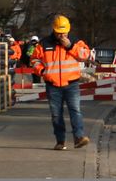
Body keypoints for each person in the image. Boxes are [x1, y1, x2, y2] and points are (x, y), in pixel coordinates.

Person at [30, 14, 92, 150]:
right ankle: (60, 141)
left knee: (75, 110)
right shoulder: (44, 43)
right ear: (54, 30)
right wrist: (41, 71)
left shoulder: (76, 42)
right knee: (56, 114)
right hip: (53, 86)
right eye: (59, 32)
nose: (61, 35)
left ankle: (79, 137)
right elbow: (34, 60)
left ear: (68, 30)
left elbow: (85, 56)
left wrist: (70, 46)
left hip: (72, 84)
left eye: (64, 32)